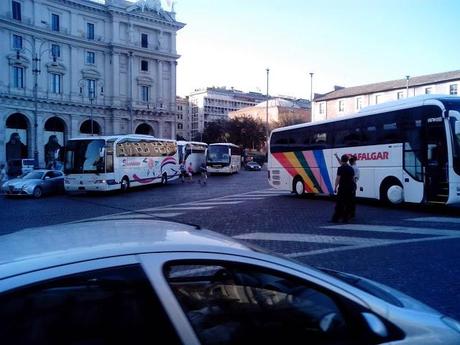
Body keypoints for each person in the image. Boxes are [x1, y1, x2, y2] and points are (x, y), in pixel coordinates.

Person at [331, 154, 355, 223]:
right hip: (350, 188)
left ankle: (336, 218)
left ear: (342, 160)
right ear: (347, 160)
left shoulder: (340, 168)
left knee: (339, 203)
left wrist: (335, 187)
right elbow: (353, 179)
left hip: (342, 188)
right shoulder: (351, 168)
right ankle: (345, 218)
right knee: (348, 204)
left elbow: (338, 179)